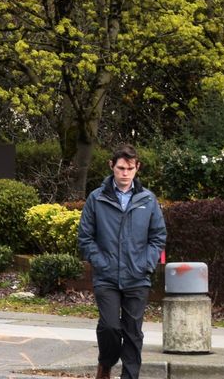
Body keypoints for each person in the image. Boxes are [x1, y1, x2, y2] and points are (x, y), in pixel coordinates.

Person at [78, 145, 167, 379]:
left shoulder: (147, 199)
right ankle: (106, 363)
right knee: (109, 326)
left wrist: (146, 263)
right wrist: (100, 262)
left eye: (129, 168)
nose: (125, 173)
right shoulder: (96, 198)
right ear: (111, 166)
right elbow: (85, 238)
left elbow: (158, 237)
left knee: (133, 332)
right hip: (106, 276)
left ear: (137, 168)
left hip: (137, 276)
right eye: (120, 168)